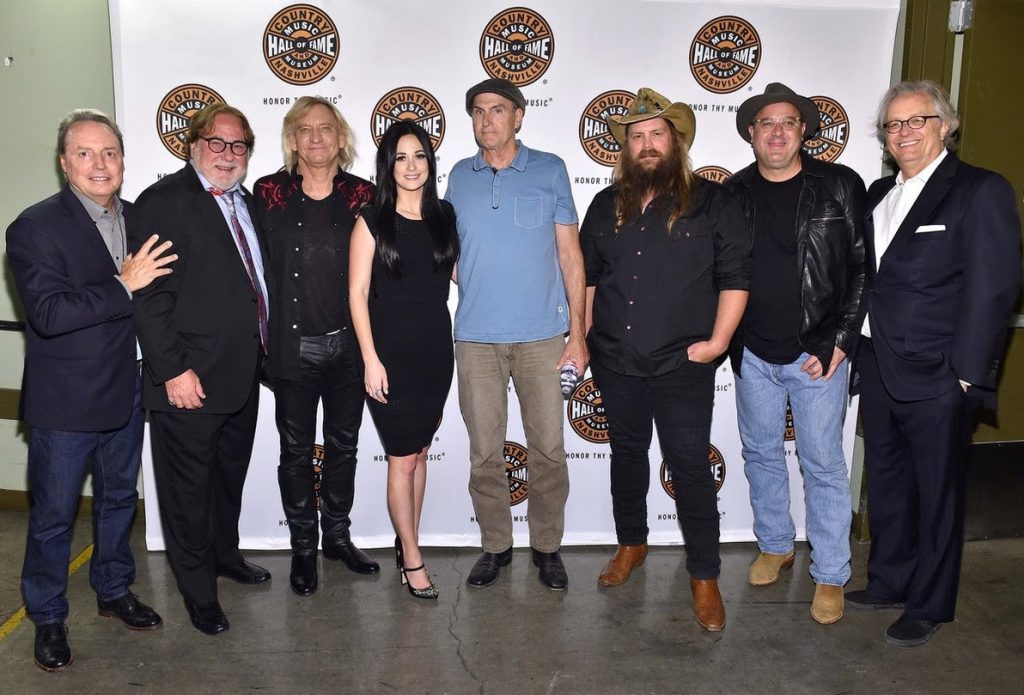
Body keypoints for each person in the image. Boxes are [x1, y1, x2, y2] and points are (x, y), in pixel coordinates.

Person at [848, 80, 1021, 647]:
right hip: (877, 363)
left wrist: (968, 374)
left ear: (945, 125)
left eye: (915, 121)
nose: (903, 133)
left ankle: (931, 603)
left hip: (940, 373)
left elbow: (994, 288)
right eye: (893, 125)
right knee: (890, 483)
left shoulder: (979, 190)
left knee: (938, 492)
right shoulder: (876, 194)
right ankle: (890, 581)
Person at [7, 109, 174, 671]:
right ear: (63, 163)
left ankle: (113, 589)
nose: (99, 164)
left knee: (118, 501)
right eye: (85, 153)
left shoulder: (136, 218)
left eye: (109, 153)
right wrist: (122, 284)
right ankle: (48, 615)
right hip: (66, 403)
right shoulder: (34, 227)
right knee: (54, 515)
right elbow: (49, 314)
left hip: (128, 390)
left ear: (123, 161)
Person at [581, 88, 750, 631]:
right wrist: (581, 336)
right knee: (627, 457)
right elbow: (585, 277)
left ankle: (704, 577)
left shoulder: (713, 201)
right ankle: (632, 544)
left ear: (675, 142)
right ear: (625, 150)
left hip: (683, 364)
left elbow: (735, 278)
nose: (647, 144)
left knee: (691, 468)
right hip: (615, 359)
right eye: (637, 137)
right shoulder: (606, 206)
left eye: (657, 134)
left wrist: (719, 342)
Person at [723, 83, 866, 625]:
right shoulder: (733, 194)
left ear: (803, 131)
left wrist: (841, 340)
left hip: (817, 356)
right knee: (760, 454)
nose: (777, 131)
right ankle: (776, 544)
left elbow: (860, 269)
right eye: (766, 123)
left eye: (788, 122)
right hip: (755, 353)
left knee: (824, 464)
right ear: (752, 134)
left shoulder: (838, 185)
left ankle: (830, 573)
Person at [445, 78, 588, 591]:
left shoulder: (550, 170)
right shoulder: (459, 177)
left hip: (544, 338)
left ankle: (547, 546)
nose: (488, 120)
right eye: (479, 111)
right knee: (484, 451)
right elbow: (450, 254)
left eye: (498, 110)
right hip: (476, 338)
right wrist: (481, 280)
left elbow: (571, 258)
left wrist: (579, 332)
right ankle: (495, 545)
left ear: (519, 116)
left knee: (548, 447)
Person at [133, 103, 270, 636]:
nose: (227, 155)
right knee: (187, 491)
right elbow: (148, 296)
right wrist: (172, 370)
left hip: (241, 374)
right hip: (187, 379)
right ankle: (198, 593)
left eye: (238, 146)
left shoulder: (247, 202)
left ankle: (224, 555)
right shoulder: (163, 202)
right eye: (217, 143)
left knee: (226, 479)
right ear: (193, 145)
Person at [253, 96, 379, 598]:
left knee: (344, 448)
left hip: (350, 347)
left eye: (326, 128)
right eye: (304, 129)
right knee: (296, 452)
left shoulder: (365, 196)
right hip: (291, 348)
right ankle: (303, 547)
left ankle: (338, 539)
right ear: (292, 139)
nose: (316, 137)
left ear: (341, 138)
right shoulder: (267, 194)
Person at [349, 121, 459, 600]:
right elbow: (355, 294)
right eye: (401, 158)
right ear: (387, 166)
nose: (412, 166)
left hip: (435, 351)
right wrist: (370, 359)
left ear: (430, 163)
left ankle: (405, 539)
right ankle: (412, 557)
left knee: (418, 453)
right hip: (389, 354)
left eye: (420, 156)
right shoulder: (371, 220)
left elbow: (458, 274)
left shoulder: (445, 215)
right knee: (400, 456)